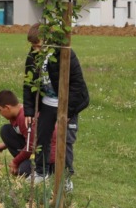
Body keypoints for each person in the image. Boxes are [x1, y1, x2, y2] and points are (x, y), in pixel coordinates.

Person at [23, 24, 88, 179]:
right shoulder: (33, 56)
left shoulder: (65, 54)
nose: (35, 49)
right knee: (42, 138)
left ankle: (65, 177)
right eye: (33, 46)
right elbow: (28, 83)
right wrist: (29, 111)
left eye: (38, 46)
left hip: (67, 105)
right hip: (47, 103)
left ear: (48, 41)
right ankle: (41, 172)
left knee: (65, 140)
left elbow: (77, 85)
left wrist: (68, 111)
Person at [0, 89, 35, 177]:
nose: (0, 113)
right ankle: (25, 163)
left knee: (23, 171)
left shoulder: (24, 118)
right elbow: (24, 136)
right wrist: (5, 145)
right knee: (5, 130)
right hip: (32, 149)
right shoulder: (14, 116)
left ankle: (44, 170)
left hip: (43, 155)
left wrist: (15, 162)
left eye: (0, 110)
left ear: (7, 107)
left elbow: (32, 146)